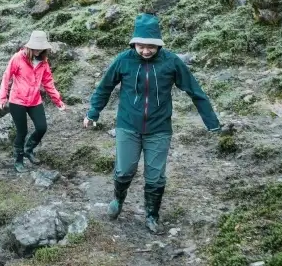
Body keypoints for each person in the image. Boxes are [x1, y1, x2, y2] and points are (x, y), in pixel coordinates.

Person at [85, 13, 221, 235]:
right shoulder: (123, 60)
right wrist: (93, 113)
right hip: (127, 125)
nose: (146, 50)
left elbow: (195, 91)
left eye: (151, 46)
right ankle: (118, 200)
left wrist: (211, 122)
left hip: (159, 128)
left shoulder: (171, 62)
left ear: (159, 44)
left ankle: (151, 215)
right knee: (124, 170)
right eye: (141, 45)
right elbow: (104, 88)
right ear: (134, 42)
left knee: (155, 176)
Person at [0, 31, 68, 173]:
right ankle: (18, 160)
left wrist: (58, 101)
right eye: (35, 47)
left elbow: (48, 82)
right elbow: (7, 77)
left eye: (40, 47)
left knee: (42, 127)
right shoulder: (18, 58)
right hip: (17, 100)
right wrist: (2, 97)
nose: (38, 50)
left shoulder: (44, 62)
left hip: (35, 100)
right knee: (21, 131)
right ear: (30, 46)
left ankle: (29, 149)